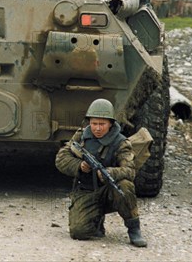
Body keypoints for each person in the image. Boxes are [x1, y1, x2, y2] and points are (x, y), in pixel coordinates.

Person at [55, 98, 148, 247]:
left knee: (124, 187)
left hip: (109, 190)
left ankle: (133, 229)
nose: (97, 128)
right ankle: (97, 221)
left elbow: (130, 171)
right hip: (86, 190)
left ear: (110, 123)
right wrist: (79, 165)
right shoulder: (82, 137)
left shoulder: (121, 142)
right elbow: (61, 158)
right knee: (79, 232)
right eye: (94, 124)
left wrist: (108, 172)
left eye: (102, 124)